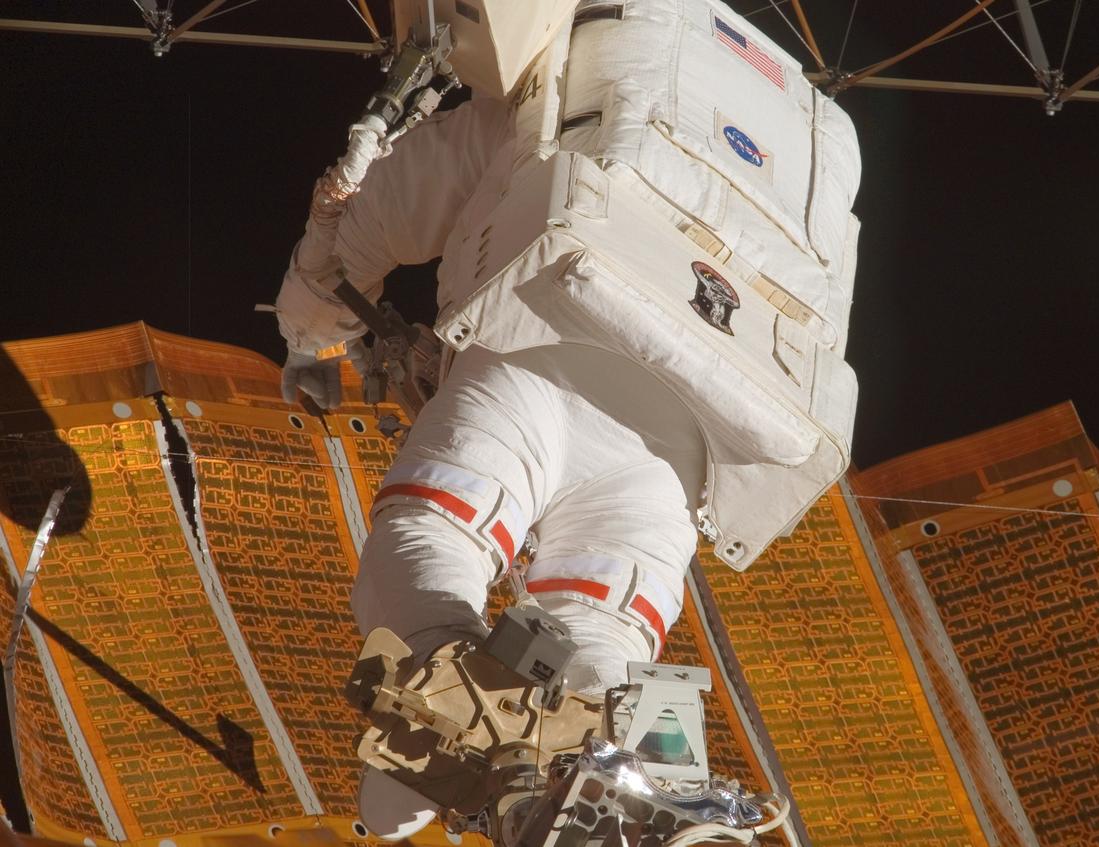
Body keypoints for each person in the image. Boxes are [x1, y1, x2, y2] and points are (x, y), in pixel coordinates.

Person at [274, 0, 861, 838]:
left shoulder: (589, 38)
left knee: (428, 540)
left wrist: (307, 336)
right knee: (606, 648)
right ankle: (638, 794)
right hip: (687, 446)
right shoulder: (811, 132)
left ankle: (474, 746)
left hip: (540, 354)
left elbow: (387, 204)